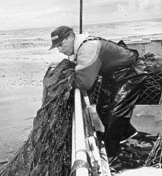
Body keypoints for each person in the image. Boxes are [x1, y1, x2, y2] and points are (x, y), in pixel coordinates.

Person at [49, 26, 149, 158]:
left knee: (116, 114)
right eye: (57, 47)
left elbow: (84, 82)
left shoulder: (88, 48)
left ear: (70, 37)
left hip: (131, 73)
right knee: (103, 108)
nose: (60, 50)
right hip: (113, 74)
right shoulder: (81, 47)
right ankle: (128, 136)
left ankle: (112, 153)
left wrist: (66, 80)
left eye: (61, 45)